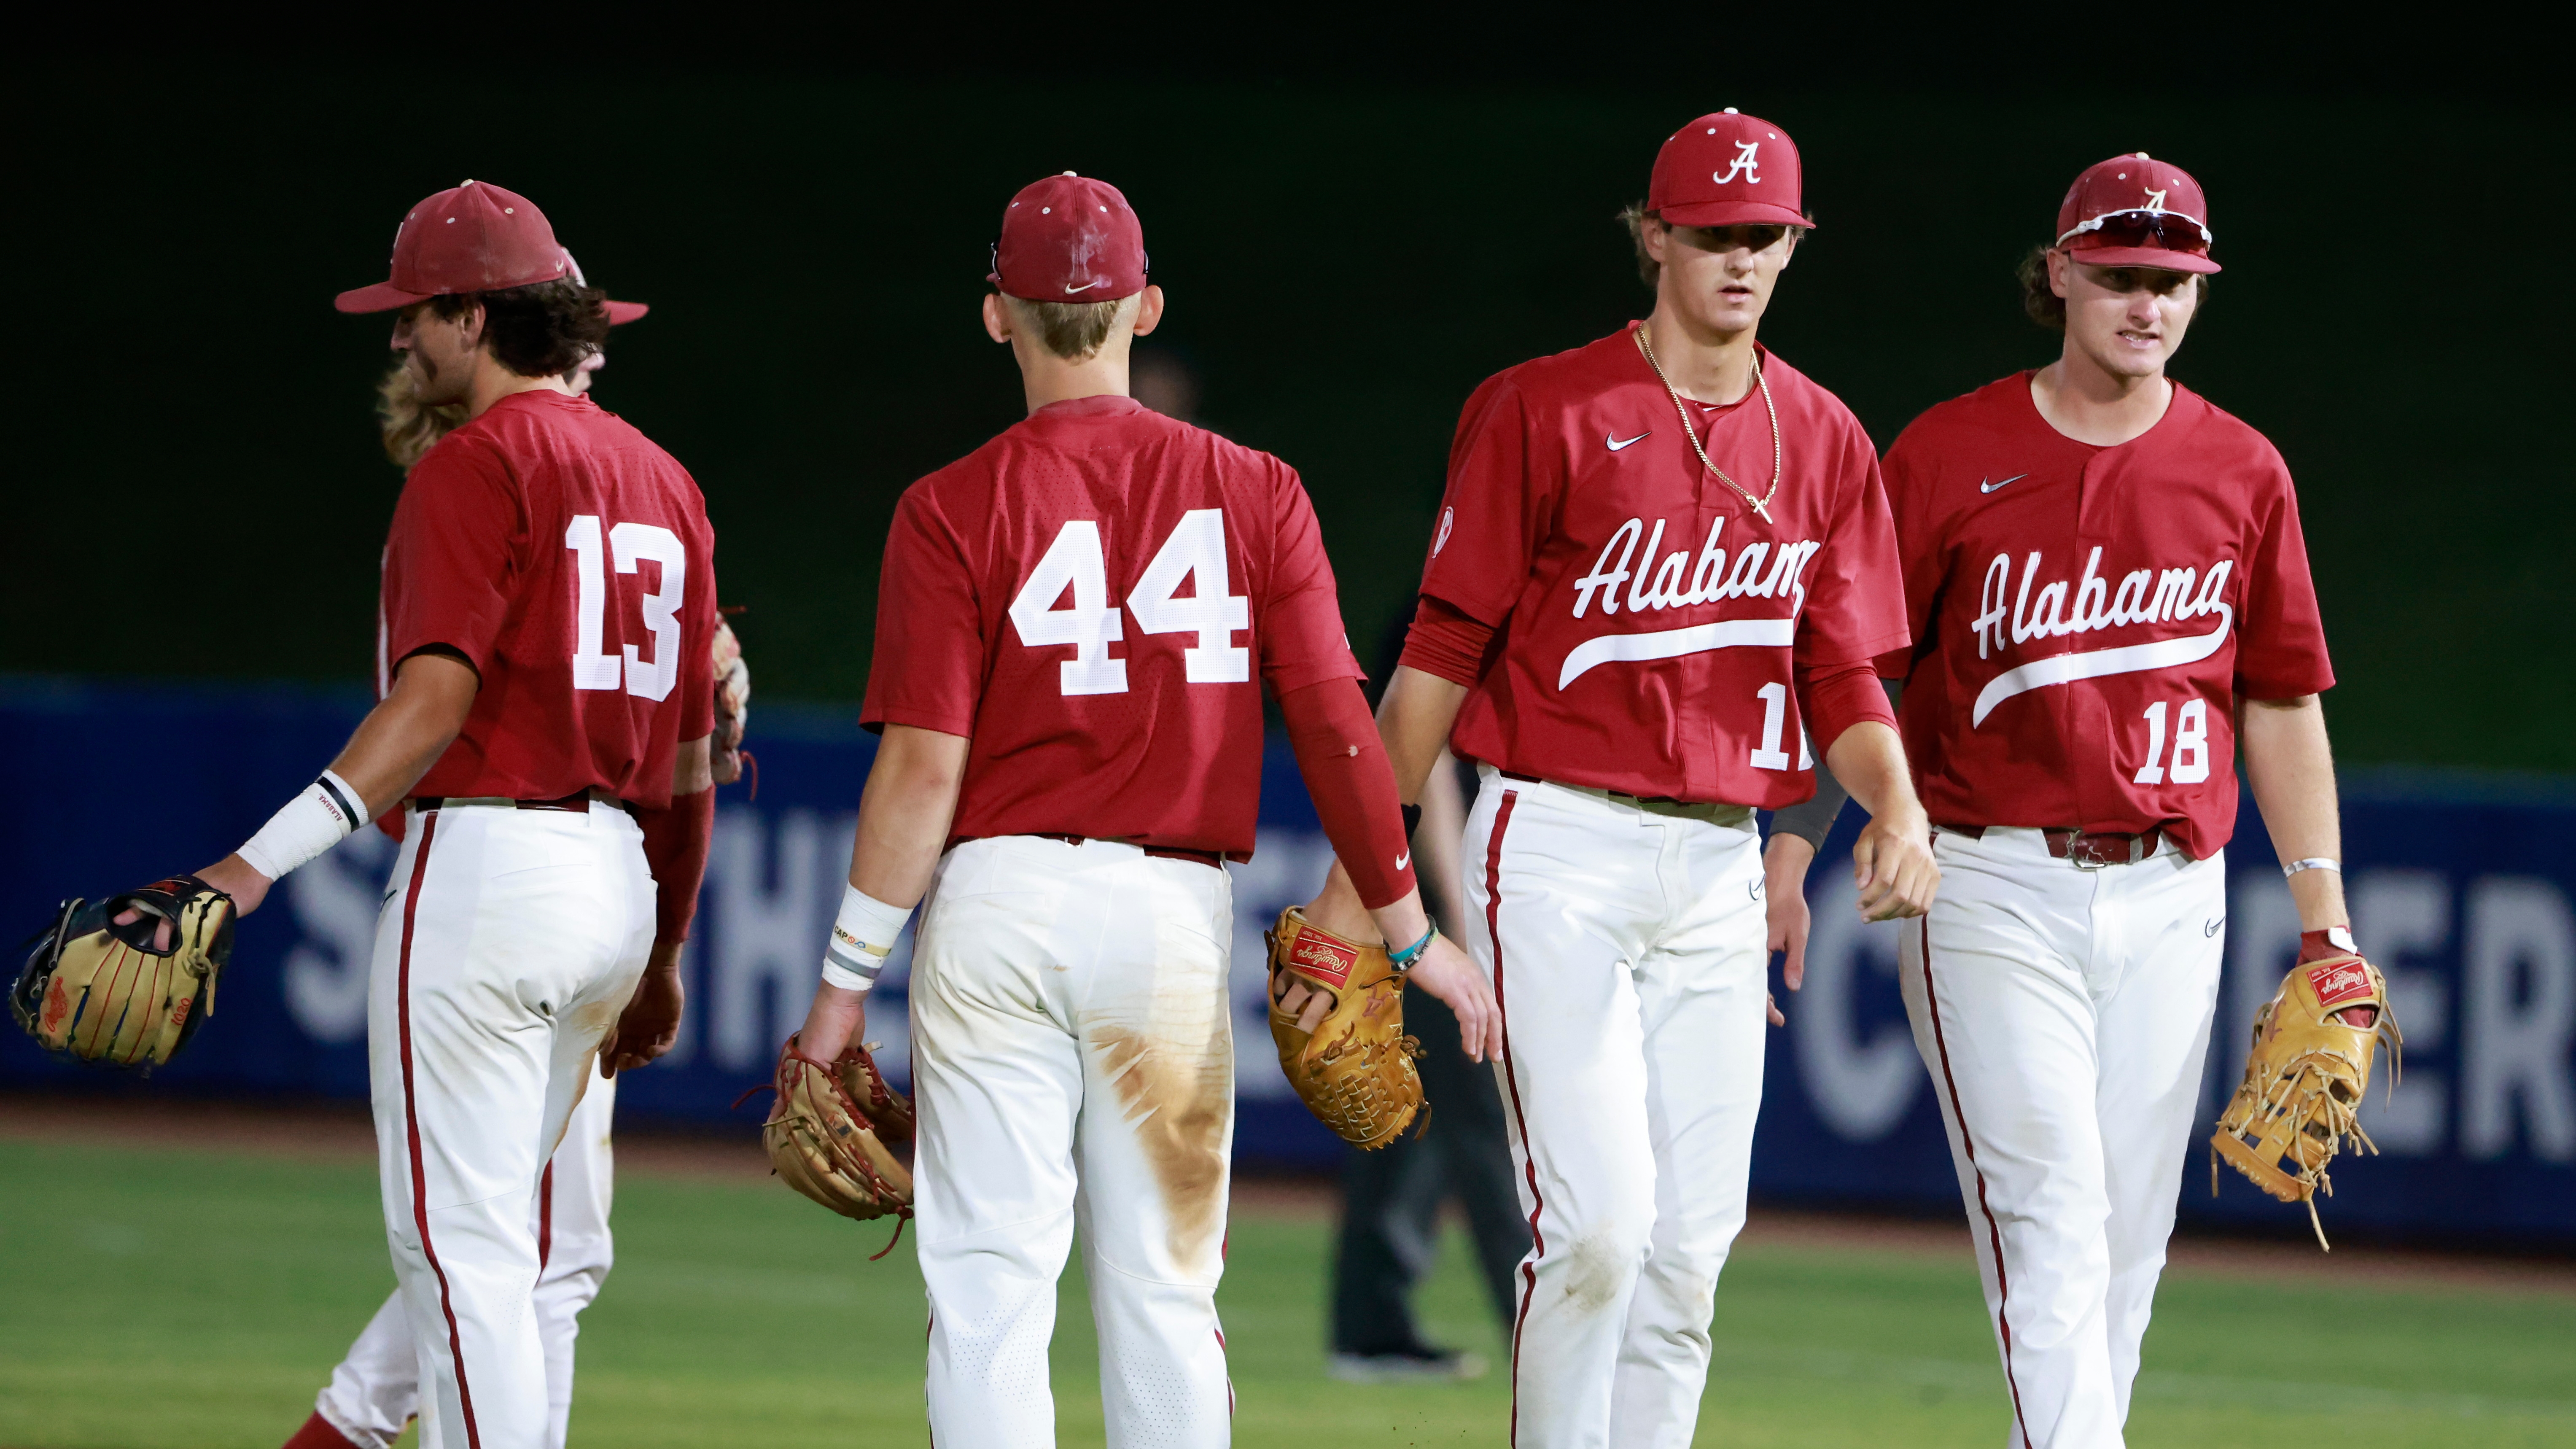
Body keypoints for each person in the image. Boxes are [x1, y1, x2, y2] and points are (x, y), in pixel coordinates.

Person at [783, 172, 1498, 1449]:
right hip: (1165, 917)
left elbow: (920, 772)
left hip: (997, 906)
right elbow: (1341, 726)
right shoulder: (1255, 488)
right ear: (1145, 307)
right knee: (1165, 1292)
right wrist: (1406, 928)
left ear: (997, 314)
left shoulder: (948, 506)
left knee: (989, 1292)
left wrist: (845, 982)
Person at [1296, 110, 1939, 1447]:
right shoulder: (1541, 410)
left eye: (1764, 236)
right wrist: (1355, 893)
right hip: (1555, 843)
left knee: (1690, 1254)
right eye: (1711, 234)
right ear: (1651, 239)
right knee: (1592, 1227)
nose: (1739, 258)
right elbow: (1431, 668)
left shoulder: (1823, 440)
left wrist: (1898, 802)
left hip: (1713, 861)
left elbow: (1842, 682)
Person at [142, 178, 717, 1449]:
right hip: (617, 880)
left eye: (417, 313)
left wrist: (251, 866)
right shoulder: (665, 481)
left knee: (463, 1255)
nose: (400, 337)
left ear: (473, 313)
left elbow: (437, 696)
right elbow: (688, 765)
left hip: (493, 877)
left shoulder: (476, 464)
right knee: (542, 1252)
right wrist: (667, 947)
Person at [1803, 154, 2345, 1448]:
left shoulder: (2239, 469)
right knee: (2048, 1211)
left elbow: (2275, 698)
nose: (2145, 302)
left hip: (2173, 891)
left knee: (2122, 1246)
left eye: (2170, 280)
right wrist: (1794, 836)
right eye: (2116, 275)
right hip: (1986, 877)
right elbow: (1853, 663)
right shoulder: (1947, 450)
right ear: (2056, 275)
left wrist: (2322, 926)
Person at [283, 281, 692, 1449]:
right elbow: (438, 716)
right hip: (534, 875)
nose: (596, 363)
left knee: (534, 1250)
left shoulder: (555, 485)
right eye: (580, 339)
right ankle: (347, 1427)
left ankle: (343, 1430)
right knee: (510, 1249)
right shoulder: (492, 492)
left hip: (532, 891)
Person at [1325, 606, 1529, 1383]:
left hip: (1401, 910)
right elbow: (1431, 769)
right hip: (1437, 920)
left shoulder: (1442, 594)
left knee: (1407, 1121)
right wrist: (1464, 923)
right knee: (1486, 1123)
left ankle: (1371, 1329)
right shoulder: (1468, 606)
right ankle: (1537, 1328)